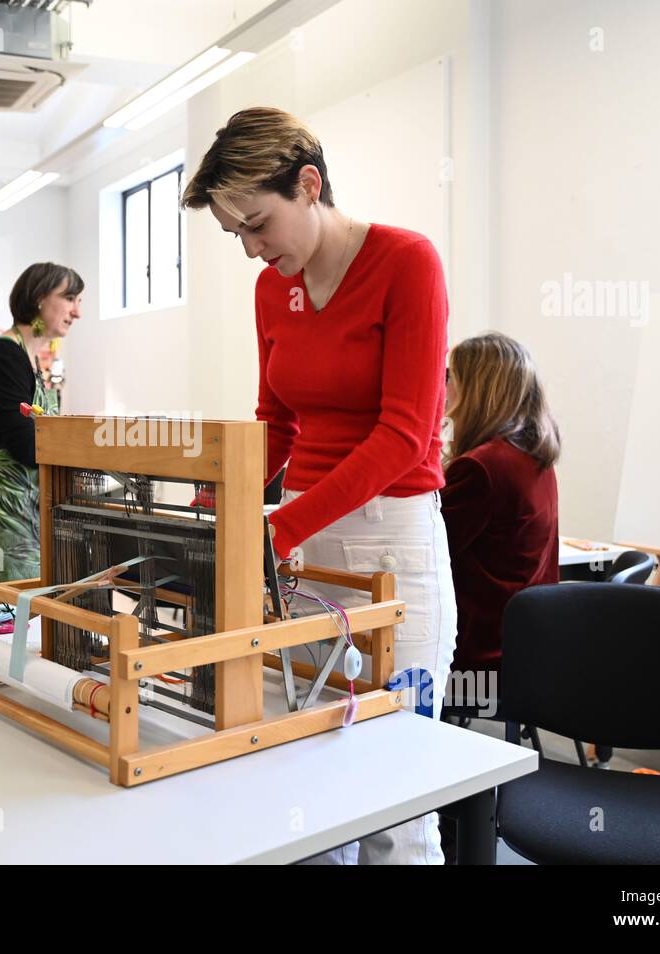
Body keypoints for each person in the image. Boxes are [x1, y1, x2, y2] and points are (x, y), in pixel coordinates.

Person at [183, 106, 455, 865]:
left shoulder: (408, 262)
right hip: (301, 542)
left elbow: (406, 434)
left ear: (310, 185)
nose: (250, 249)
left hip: (391, 539)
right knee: (309, 775)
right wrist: (221, 500)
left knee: (397, 803)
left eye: (258, 224)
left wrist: (277, 526)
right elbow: (275, 422)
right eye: (235, 233)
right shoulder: (275, 287)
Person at [441, 332, 560, 682]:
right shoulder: (534, 455)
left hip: (478, 656)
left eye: (450, 376)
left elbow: (428, 550)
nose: (442, 386)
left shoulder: (482, 467)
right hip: (527, 645)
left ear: (475, 389)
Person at [0, 262, 83, 581]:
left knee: (27, 617)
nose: (77, 312)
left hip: (25, 510)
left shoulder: (28, 359)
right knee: (12, 615)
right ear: (40, 298)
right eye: (70, 298)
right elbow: (24, 445)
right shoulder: (3, 356)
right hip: (6, 515)